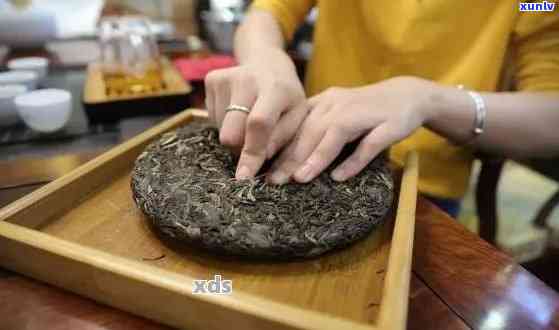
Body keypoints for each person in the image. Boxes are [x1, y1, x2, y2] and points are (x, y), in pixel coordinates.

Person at [204, 1, 559, 217]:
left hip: (425, 188)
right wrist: (265, 56)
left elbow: (550, 115)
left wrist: (426, 98)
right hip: (306, 152)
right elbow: (269, 11)